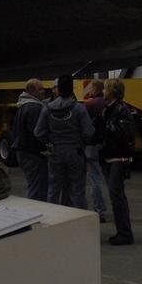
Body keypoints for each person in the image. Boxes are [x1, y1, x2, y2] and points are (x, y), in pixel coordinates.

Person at [35, 75, 94, 210]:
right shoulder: (79, 109)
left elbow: (38, 132)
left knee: (54, 188)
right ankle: (79, 221)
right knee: (77, 190)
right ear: (71, 88)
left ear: (58, 90)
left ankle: (53, 219)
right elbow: (89, 132)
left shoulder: (47, 109)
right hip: (75, 151)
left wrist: (50, 141)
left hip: (55, 151)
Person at [101, 78, 136, 246]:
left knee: (117, 195)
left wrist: (105, 129)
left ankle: (124, 233)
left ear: (111, 91)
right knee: (116, 195)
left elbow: (122, 134)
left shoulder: (120, 110)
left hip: (118, 157)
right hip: (112, 156)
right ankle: (123, 231)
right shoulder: (111, 109)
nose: (103, 91)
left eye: (105, 89)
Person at [12, 79, 49, 201]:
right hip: (33, 154)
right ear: (32, 91)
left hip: (23, 152)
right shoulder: (35, 108)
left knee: (33, 185)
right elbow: (37, 133)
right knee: (37, 189)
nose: (44, 91)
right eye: (40, 89)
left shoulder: (23, 105)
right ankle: (34, 213)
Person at [83, 80, 109, 223]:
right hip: (107, 146)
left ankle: (100, 210)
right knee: (109, 179)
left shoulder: (89, 105)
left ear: (94, 89)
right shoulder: (108, 104)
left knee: (95, 179)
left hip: (91, 147)